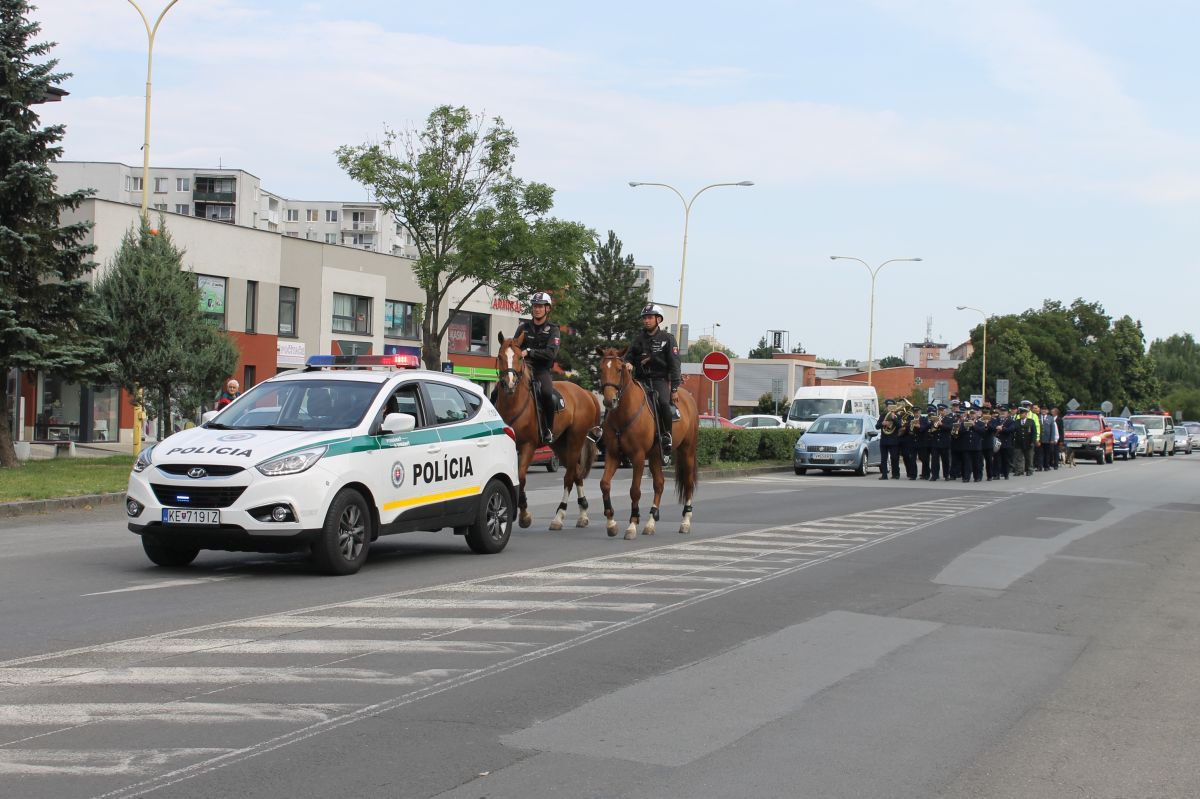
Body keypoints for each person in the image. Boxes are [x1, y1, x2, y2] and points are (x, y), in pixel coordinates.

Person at [625, 303, 681, 457]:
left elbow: (675, 364)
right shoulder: (638, 339)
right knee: (621, 397)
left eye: (650, 317)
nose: (646, 320)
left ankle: (667, 436)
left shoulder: (668, 339)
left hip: (659, 380)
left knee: (663, 403)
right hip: (640, 380)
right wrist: (628, 363)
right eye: (644, 318)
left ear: (658, 319)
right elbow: (628, 357)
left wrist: (674, 388)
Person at [514, 291, 562, 444]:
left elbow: (551, 354)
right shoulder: (523, 328)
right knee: (498, 390)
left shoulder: (553, 329)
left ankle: (548, 429)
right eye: (535, 306)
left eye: (540, 306)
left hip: (541, 370)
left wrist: (529, 351)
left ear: (547, 308)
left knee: (547, 393)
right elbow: (515, 347)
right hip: (522, 369)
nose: (537, 309)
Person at [876, 399, 901, 480]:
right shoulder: (883, 415)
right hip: (884, 440)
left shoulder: (897, 415)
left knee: (894, 458)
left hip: (894, 440)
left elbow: (899, 426)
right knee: (883, 458)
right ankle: (884, 475)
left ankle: (896, 474)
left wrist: (894, 418)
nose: (889, 408)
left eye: (891, 407)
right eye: (887, 406)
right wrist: (882, 423)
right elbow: (877, 426)